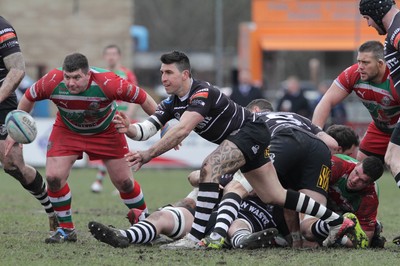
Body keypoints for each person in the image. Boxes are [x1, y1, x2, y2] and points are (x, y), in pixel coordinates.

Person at [113, 50, 355, 249]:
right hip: (249, 141)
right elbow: (149, 127)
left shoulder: (202, 92)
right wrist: (130, 129)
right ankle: (335, 221)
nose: (163, 78)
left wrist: (147, 154)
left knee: (210, 168)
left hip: (251, 132)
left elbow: (183, 129)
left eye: (168, 73)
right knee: (275, 195)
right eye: (161, 73)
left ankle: (197, 237)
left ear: (185, 74)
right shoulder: (171, 103)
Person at [6, 53, 158, 243]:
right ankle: (66, 229)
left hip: (106, 131)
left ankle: (147, 224)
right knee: (53, 178)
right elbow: (29, 97)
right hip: (68, 130)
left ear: (88, 75)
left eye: (76, 77)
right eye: (67, 77)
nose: (70, 83)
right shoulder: (52, 80)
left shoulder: (109, 82)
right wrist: (16, 132)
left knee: (124, 182)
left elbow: (144, 98)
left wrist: (165, 125)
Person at [0, 16, 58, 233]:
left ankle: (52, 209)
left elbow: (17, 70)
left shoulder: (2, 29)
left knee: (13, 165)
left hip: (2, 100)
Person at [313, 40, 400, 163]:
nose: (360, 67)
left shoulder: (394, 78)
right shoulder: (353, 74)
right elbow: (326, 101)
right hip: (379, 128)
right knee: (358, 169)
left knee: (394, 163)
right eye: (359, 61)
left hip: (398, 129)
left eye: (365, 63)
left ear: (380, 63)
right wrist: (317, 133)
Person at [301, 155, 384, 248]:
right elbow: (304, 194)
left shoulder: (370, 196)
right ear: (357, 164)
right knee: (306, 231)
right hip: (321, 203)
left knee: (357, 242)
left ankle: (340, 227)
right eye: (356, 173)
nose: (354, 180)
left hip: (343, 213)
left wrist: (341, 240)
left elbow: (364, 241)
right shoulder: (334, 166)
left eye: (362, 181)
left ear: (369, 183)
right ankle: (337, 226)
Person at [90, 44, 140, 193]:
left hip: (120, 118)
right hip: (105, 117)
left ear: (119, 56)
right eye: (108, 54)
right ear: (104, 57)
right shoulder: (100, 74)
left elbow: (136, 95)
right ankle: (120, 182)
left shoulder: (127, 74)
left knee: (116, 151)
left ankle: (102, 182)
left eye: (114, 54)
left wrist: (129, 115)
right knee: (112, 151)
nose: (111, 57)